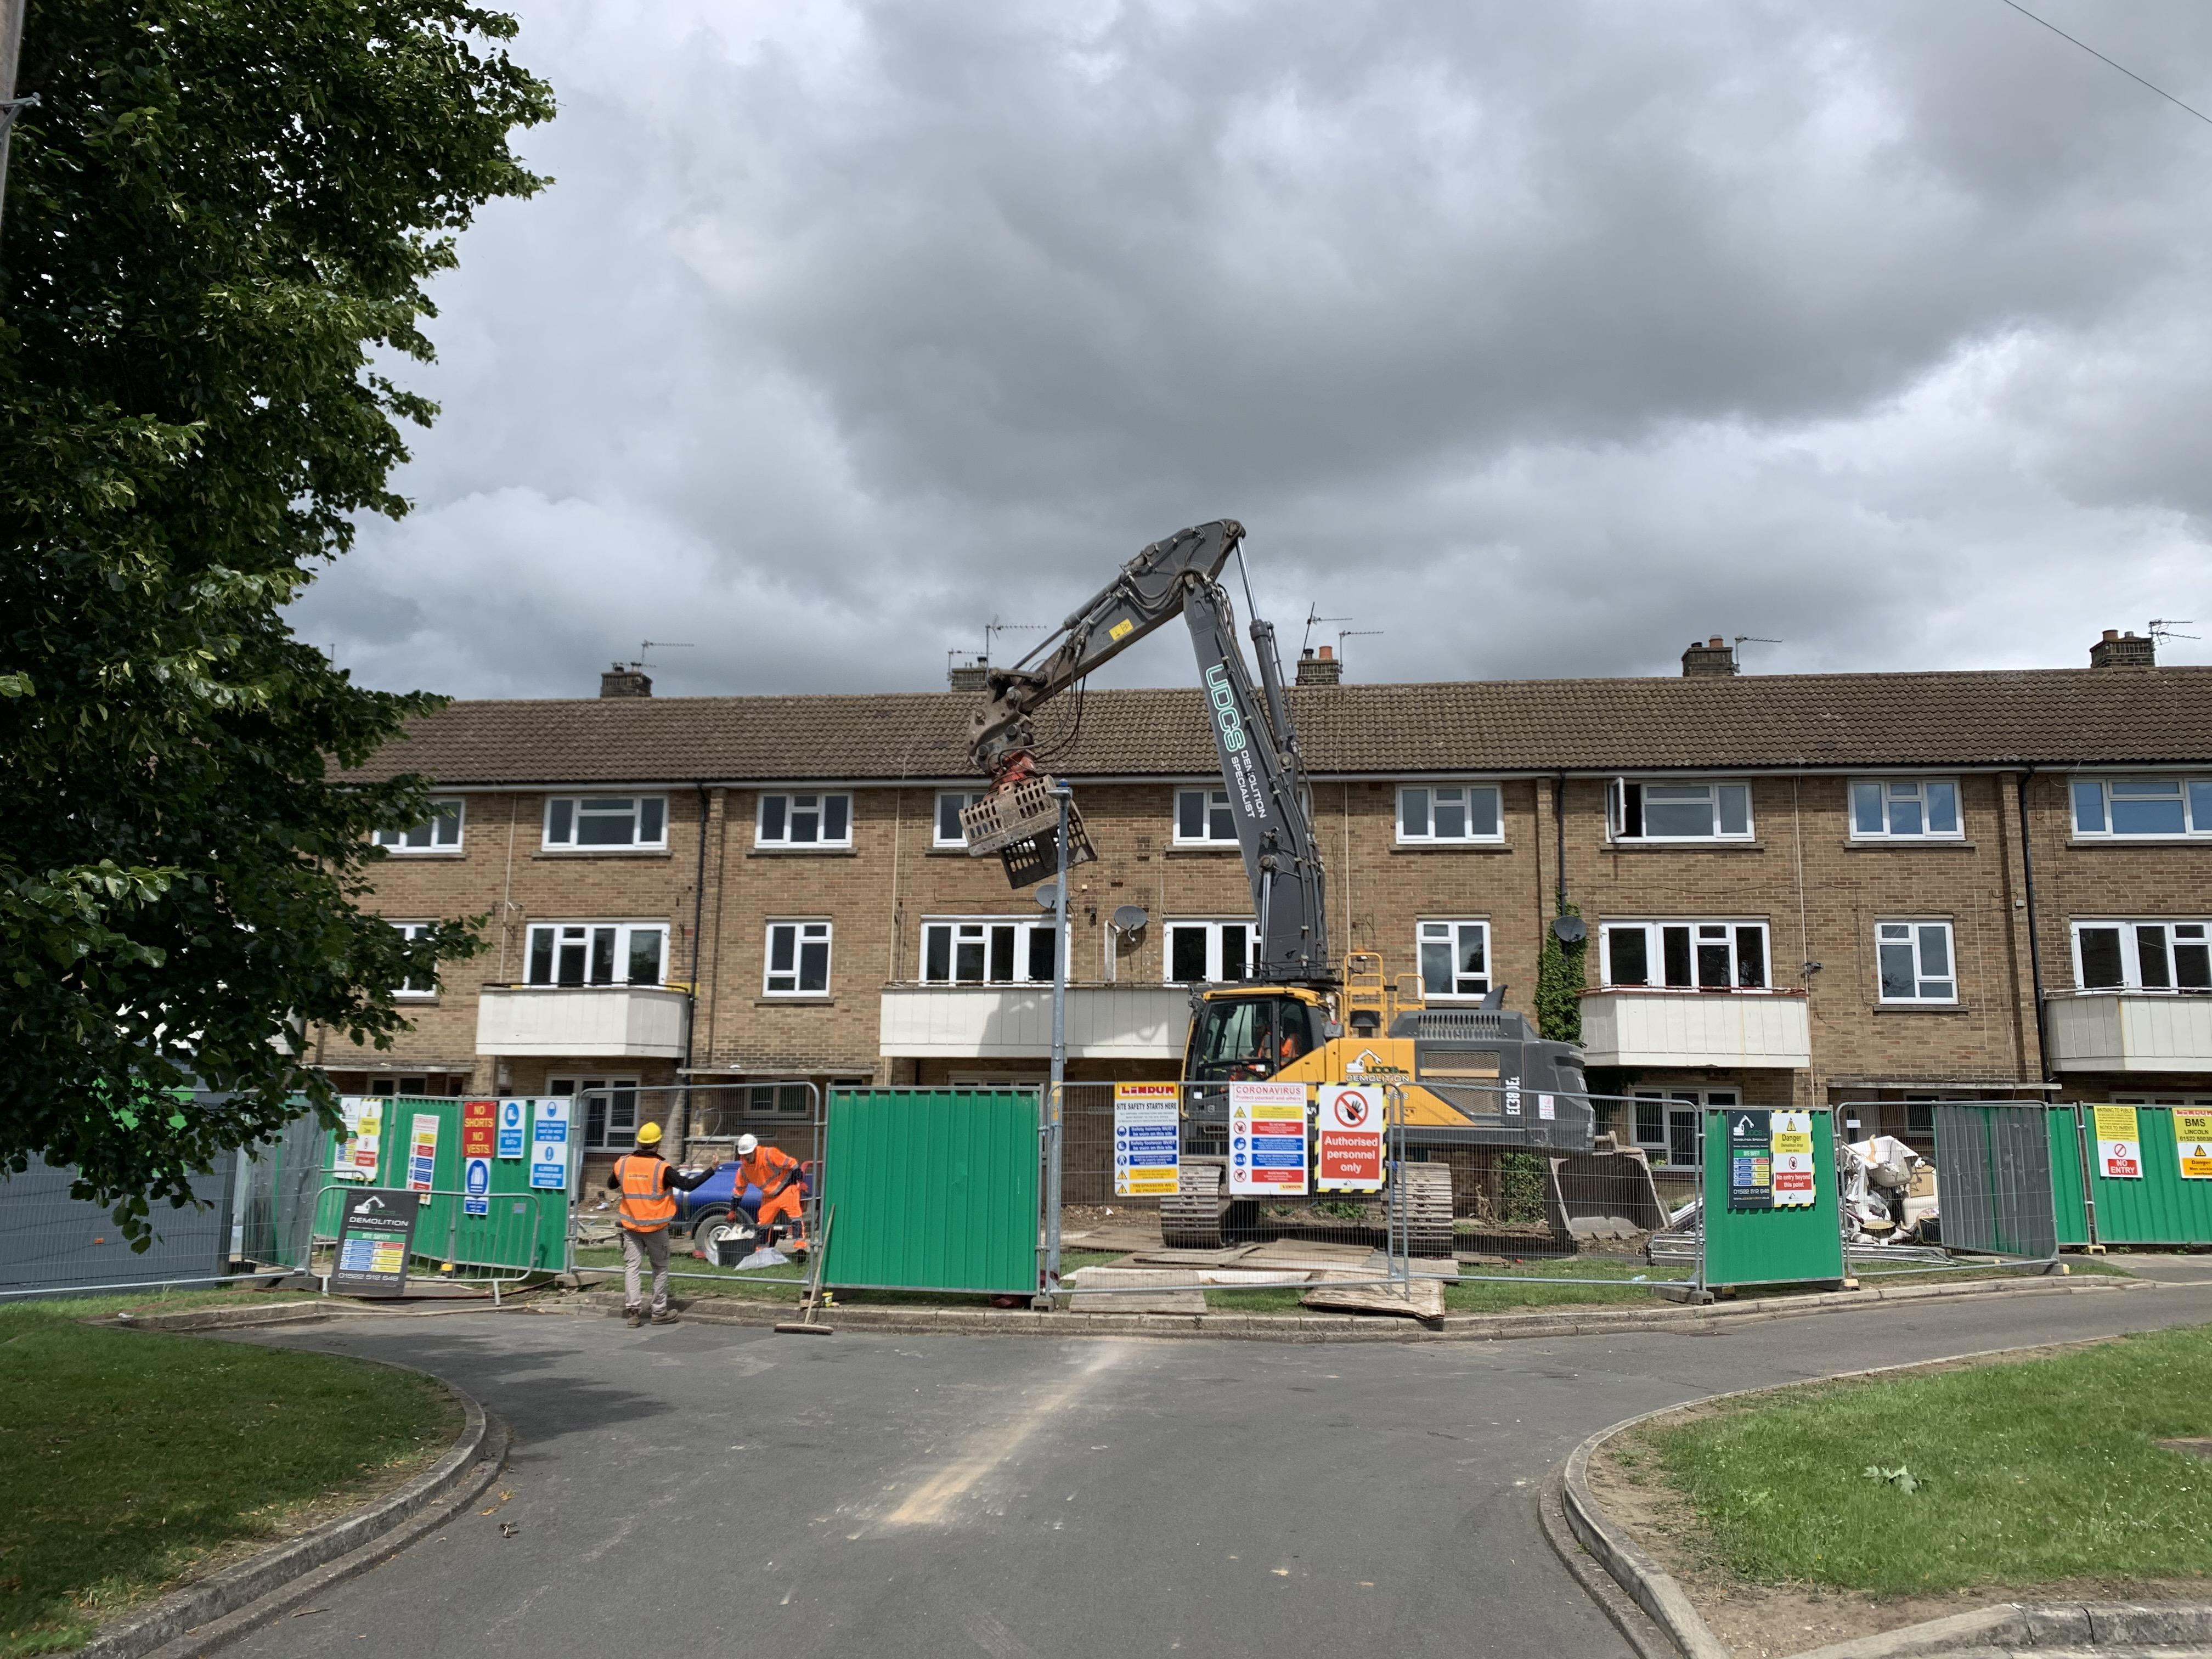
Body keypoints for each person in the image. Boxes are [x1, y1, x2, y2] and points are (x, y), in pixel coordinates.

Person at [607, 1122, 719, 1327]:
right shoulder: (662, 1168)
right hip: (656, 1228)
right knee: (660, 1267)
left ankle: (633, 1312)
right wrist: (711, 1170)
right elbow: (688, 1185)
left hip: (631, 1226)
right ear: (657, 1144)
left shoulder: (622, 1163)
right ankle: (659, 1312)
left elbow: (611, 1184)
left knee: (632, 1267)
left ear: (639, 1142)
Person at [731, 1133, 809, 1253]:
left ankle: (800, 1247)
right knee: (763, 1223)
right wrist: (733, 1210)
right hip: (769, 1196)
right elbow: (738, 1192)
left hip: (787, 1188)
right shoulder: (743, 1171)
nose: (747, 1157)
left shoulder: (769, 1154)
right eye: (744, 1155)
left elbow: (792, 1163)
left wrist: (801, 1181)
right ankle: (761, 1251)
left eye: (749, 1154)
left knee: (795, 1216)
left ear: (755, 1149)